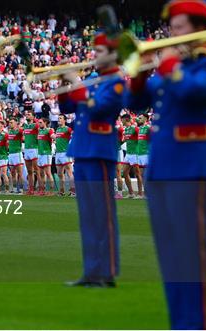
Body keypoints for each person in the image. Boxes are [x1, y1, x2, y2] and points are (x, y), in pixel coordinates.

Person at [127, 0, 206, 328]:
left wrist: (168, 66)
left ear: (200, 30)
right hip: (162, 168)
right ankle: (180, 323)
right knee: (169, 253)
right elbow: (136, 102)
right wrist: (142, 70)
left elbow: (192, 92)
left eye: (180, 27)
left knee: (192, 249)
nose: (172, 33)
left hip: (192, 167)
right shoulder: (171, 70)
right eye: (172, 27)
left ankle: (199, 324)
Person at [58, 31, 124, 287]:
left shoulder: (116, 82)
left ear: (113, 55)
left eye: (100, 51)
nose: (94, 56)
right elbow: (67, 108)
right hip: (82, 149)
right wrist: (65, 87)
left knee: (102, 213)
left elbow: (97, 107)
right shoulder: (94, 81)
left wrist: (75, 82)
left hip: (99, 150)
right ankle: (91, 270)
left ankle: (105, 272)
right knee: (87, 215)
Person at [53, 114, 75, 196]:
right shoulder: (58, 129)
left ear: (64, 120)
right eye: (58, 118)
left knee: (69, 172)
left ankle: (73, 191)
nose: (58, 119)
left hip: (65, 153)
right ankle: (61, 191)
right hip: (58, 153)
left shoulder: (67, 129)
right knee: (59, 173)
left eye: (60, 118)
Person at [23, 110, 40, 194]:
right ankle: (31, 189)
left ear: (33, 116)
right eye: (26, 114)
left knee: (37, 170)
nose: (27, 116)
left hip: (34, 149)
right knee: (29, 171)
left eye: (29, 115)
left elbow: (41, 132)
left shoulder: (36, 125)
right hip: (26, 149)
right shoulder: (25, 125)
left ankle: (41, 189)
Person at [37, 117, 55, 195]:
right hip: (40, 153)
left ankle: (51, 191)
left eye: (40, 122)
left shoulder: (49, 130)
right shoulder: (39, 131)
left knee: (48, 173)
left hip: (46, 154)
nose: (39, 124)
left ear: (45, 123)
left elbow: (53, 136)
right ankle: (42, 189)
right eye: (39, 122)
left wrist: (55, 137)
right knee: (41, 173)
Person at [8, 117, 25, 194]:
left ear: (15, 123)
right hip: (11, 154)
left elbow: (24, 135)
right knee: (13, 173)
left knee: (20, 173)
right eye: (9, 122)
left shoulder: (19, 131)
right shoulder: (10, 131)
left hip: (17, 154)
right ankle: (14, 189)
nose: (10, 124)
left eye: (11, 122)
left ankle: (21, 189)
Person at [121, 114, 137, 198]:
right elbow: (123, 141)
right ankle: (131, 193)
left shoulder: (134, 128)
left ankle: (142, 194)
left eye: (122, 119)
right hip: (128, 153)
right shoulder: (125, 130)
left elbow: (141, 140)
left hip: (135, 153)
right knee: (124, 172)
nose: (121, 121)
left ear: (126, 119)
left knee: (138, 174)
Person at [135, 114, 150, 198]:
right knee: (138, 174)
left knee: (145, 174)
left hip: (146, 154)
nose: (139, 119)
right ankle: (140, 193)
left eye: (141, 118)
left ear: (145, 119)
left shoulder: (148, 128)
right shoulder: (139, 129)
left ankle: (147, 193)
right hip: (139, 154)